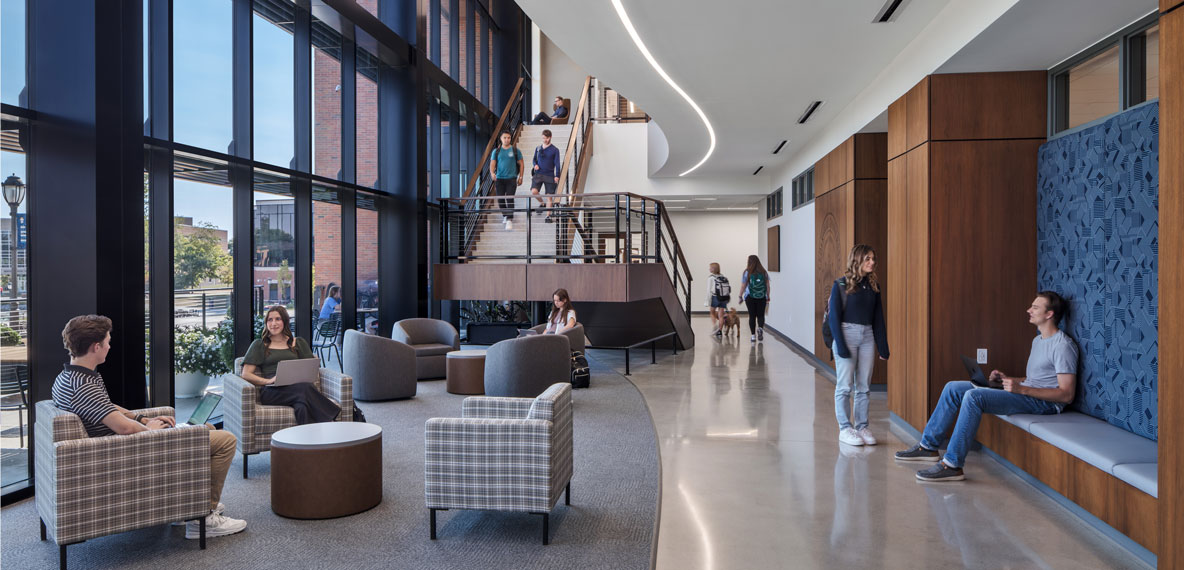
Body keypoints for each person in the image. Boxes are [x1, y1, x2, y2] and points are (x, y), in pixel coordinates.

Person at [51, 315, 246, 539]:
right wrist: (151, 430)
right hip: (126, 454)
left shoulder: (69, 377)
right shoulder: (84, 386)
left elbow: (106, 407)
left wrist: (143, 418)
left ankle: (188, 505)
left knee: (209, 429)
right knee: (226, 440)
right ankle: (204, 517)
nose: (109, 345)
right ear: (96, 347)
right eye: (107, 341)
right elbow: (124, 428)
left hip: (119, 446)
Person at [895, 291, 1079, 482]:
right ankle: (928, 447)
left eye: (1035, 307)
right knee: (953, 388)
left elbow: (1066, 394)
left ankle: (952, 465)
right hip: (1028, 393)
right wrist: (1010, 380)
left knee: (975, 397)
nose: (1028, 310)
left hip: (1045, 404)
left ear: (1049, 314)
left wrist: (1022, 389)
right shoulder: (1038, 340)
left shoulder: (1063, 346)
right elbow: (1037, 379)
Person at [828, 245, 889, 447]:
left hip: (867, 336)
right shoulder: (841, 285)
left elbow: (878, 318)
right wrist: (841, 346)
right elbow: (834, 318)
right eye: (867, 259)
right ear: (857, 261)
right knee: (844, 386)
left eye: (873, 258)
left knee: (863, 386)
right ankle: (845, 428)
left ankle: (862, 426)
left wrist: (883, 345)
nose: (872, 262)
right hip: (846, 333)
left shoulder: (873, 286)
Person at [240, 305, 341, 424]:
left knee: (301, 407)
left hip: (297, 387)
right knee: (306, 388)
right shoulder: (259, 345)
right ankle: (334, 417)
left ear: (285, 321)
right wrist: (268, 381)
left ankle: (307, 441)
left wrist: (297, 352)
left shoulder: (298, 343)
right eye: (270, 320)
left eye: (278, 319)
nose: (273, 323)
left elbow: (312, 368)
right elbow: (246, 374)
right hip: (272, 392)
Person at [489, 130, 523, 230]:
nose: (507, 139)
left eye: (508, 138)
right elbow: (492, 164)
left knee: (509, 198)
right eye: (505, 138)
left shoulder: (516, 150)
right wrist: (492, 173)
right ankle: (505, 215)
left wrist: (520, 177)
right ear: (501, 139)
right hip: (500, 179)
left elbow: (521, 164)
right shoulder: (496, 151)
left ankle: (509, 219)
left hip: (512, 179)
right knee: (500, 199)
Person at [530, 129, 562, 219]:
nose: (545, 140)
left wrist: (557, 175)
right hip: (538, 173)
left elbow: (557, 163)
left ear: (550, 137)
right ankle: (542, 203)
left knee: (549, 197)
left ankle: (548, 216)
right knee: (534, 191)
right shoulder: (538, 148)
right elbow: (534, 160)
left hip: (550, 175)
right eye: (543, 138)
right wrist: (535, 165)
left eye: (547, 138)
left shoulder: (555, 150)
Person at [739, 254, 771, 342]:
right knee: (761, 315)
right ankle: (760, 328)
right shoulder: (764, 272)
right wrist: (768, 296)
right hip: (762, 297)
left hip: (750, 297)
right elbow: (768, 286)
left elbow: (743, 286)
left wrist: (740, 296)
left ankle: (753, 336)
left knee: (752, 316)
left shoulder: (747, 272)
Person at [706, 262, 731, 337]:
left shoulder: (711, 278)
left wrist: (707, 300)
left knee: (712, 312)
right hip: (723, 297)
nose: (709, 269)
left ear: (713, 269)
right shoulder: (722, 276)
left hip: (715, 297)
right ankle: (719, 331)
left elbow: (708, 290)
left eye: (710, 267)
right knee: (721, 315)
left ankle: (715, 325)